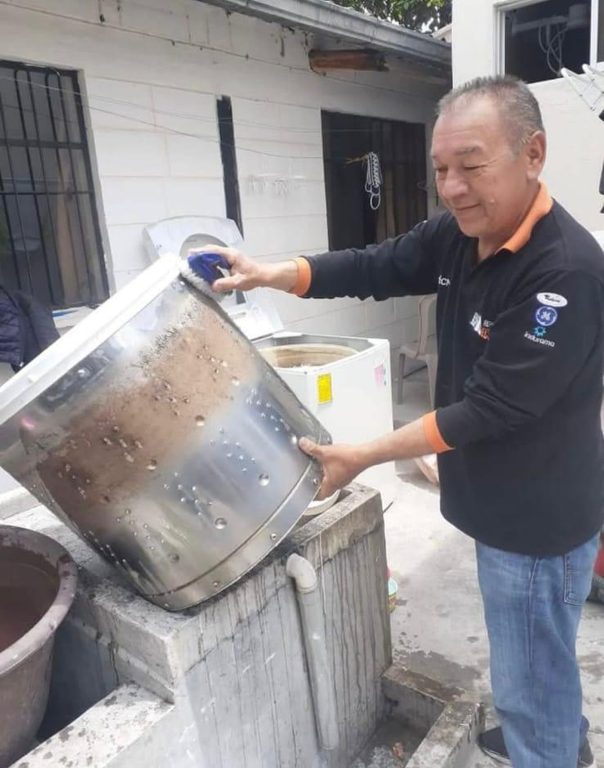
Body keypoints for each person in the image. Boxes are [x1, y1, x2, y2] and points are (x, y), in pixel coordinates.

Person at [196, 76, 604, 768]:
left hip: (538, 519)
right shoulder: (457, 233)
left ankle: (547, 744)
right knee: (539, 652)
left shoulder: (563, 274)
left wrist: (362, 453)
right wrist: (269, 273)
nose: (452, 187)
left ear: (532, 153)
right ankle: (555, 731)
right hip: (502, 503)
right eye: (442, 169)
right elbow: (371, 266)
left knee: (530, 663)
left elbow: (489, 409)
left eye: (471, 166)